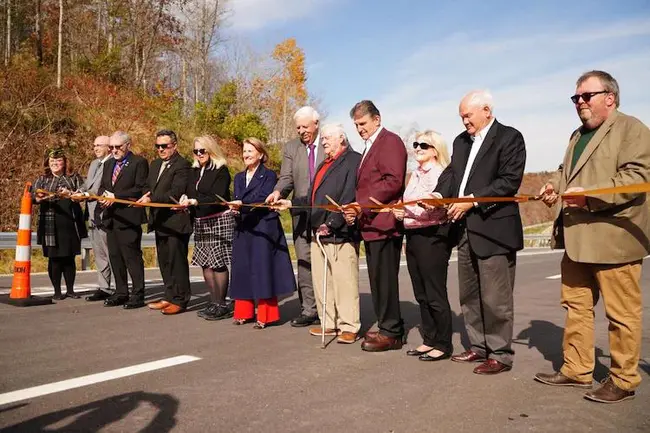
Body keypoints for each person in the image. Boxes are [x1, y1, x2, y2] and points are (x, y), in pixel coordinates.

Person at [534, 70, 650, 403]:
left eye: (587, 96)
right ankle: (577, 369)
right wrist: (552, 186)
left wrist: (592, 195)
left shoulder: (632, 129)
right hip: (577, 238)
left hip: (614, 238)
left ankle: (624, 379)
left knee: (622, 314)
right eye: (576, 98)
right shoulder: (576, 135)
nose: (580, 103)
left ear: (610, 97)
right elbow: (564, 172)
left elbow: (636, 177)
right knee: (575, 307)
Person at [433, 90, 526, 375]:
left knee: (495, 297)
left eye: (467, 115)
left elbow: (508, 182)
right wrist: (439, 193)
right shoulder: (461, 142)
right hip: (464, 229)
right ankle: (478, 346)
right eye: (461, 116)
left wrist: (471, 200)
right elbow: (451, 174)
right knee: (469, 294)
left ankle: (500, 353)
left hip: (494, 228)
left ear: (486, 110)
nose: (464, 121)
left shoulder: (510, 138)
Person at [277, 124, 362, 343]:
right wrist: (291, 203)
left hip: (339, 232)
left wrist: (333, 222)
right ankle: (329, 323)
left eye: (327, 139)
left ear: (341, 139)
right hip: (318, 231)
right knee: (323, 282)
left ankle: (349, 325)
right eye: (322, 139)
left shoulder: (353, 160)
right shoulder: (324, 164)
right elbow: (313, 199)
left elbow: (348, 194)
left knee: (344, 281)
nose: (323, 142)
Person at [343, 100, 407, 352]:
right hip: (370, 224)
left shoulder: (389, 141)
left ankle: (392, 332)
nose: (359, 129)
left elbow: (393, 181)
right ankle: (385, 325)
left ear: (377, 119)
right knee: (376, 279)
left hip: (384, 223)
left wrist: (362, 205)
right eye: (356, 125)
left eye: (363, 123)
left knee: (385, 279)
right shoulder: (370, 147)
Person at [392, 130, 454, 361]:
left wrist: (406, 209)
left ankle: (443, 343)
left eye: (423, 145)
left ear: (435, 150)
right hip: (414, 235)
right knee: (421, 293)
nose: (417, 148)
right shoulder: (415, 174)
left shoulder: (439, 173)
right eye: (416, 144)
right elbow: (411, 204)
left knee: (435, 291)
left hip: (432, 236)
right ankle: (429, 339)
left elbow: (434, 205)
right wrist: (401, 211)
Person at [266, 106, 324, 328]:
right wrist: (278, 191)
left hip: (324, 213)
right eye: (298, 127)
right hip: (300, 214)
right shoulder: (291, 147)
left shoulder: (328, 143)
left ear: (316, 124)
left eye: (305, 126)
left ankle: (328, 308)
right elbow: (287, 177)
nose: (301, 131)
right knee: (304, 262)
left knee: (324, 264)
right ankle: (309, 310)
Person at [229, 138, 296, 329]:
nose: (246, 155)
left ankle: (266, 315)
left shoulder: (269, 176)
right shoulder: (239, 177)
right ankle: (243, 312)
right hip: (244, 226)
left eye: (250, 151)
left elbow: (263, 199)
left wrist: (242, 205)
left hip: (263, 227)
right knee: (242, 269)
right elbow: (238, 199)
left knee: (262, 270)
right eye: (244, 151)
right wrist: (235, 208)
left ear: (260, 154)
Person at [179, 136, 234, 321]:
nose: (199, 154)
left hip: (218, 219)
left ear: (211, 150)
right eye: (196, 151)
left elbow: (217, 196)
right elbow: (189, 190)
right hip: (200, 220)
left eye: (203, 150)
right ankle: (213, 301)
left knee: (218, 262)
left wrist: (196, 201)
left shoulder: (221, 170)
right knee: (205, 261)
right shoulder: (194, 170)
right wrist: (185, 198)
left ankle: (222, 304)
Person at [140, 130, 192, 315]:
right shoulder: (155, 164)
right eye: (158, 146)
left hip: (175, 221)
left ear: (174, 146)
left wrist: (151, 197)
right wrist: (147, 194)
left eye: (165, 146)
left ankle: (181, 299)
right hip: (159, 220)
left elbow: (175, 192)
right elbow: (148, 185)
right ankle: (169, 295)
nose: (161, 149)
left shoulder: (183, 165)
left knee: (177, 261)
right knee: (164, 261)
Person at [98, 131, 148, 309]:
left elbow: (140, 189)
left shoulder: (138, 163)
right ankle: (120, 292)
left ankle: (138, 293)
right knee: (115, 257)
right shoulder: (109, 163)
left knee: (131, 257)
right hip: (111, 217)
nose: (113, 150)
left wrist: (116, 196)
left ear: (128, 145)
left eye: (117, 147)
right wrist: (103, 197)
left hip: (128, 217)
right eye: (110, 147)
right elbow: (104, 186)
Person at [33, 149, 87, 300]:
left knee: (69, 258)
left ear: (64, 163)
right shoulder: (42, 179)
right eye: (52, 162)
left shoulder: (73, 177)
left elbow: (84, 191)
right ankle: (57, 291)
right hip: (50, 223)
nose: (55, 164)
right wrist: (38, 197)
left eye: (58, 161)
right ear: (47, 164)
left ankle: (70, 289)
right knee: (54, 258)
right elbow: (32, 195)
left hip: (70, 221)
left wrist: (72, 194)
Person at [80, 136, 114, 302]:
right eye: (94, 145)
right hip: (92, 214)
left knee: (110, 253)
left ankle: (119, 287)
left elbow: (103, 189)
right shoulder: (94, 163)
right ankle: (104, 287)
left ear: (109, 147)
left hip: (106, 214)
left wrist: (87, 195)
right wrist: (78, 192)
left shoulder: (113, 163)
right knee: (99, 254)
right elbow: (87, 185)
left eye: (99, 145)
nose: (95, 148)